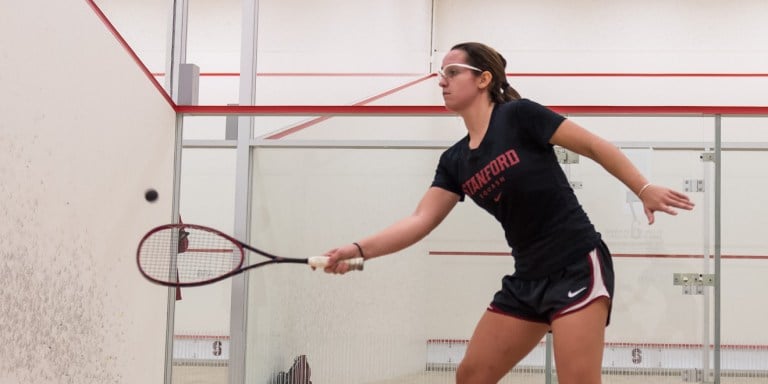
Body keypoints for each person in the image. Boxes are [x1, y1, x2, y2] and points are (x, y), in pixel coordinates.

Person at [321, 42, 695, 384]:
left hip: (577, 265)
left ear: (483, 79)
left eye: (453, 73)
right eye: (440, 76)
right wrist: (357, 249)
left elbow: (593, 146)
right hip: (527, 279)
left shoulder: (519, 116)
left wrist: (643, 188)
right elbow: (420, 221)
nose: (443, 82)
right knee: (470, 376)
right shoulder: (454, 161)